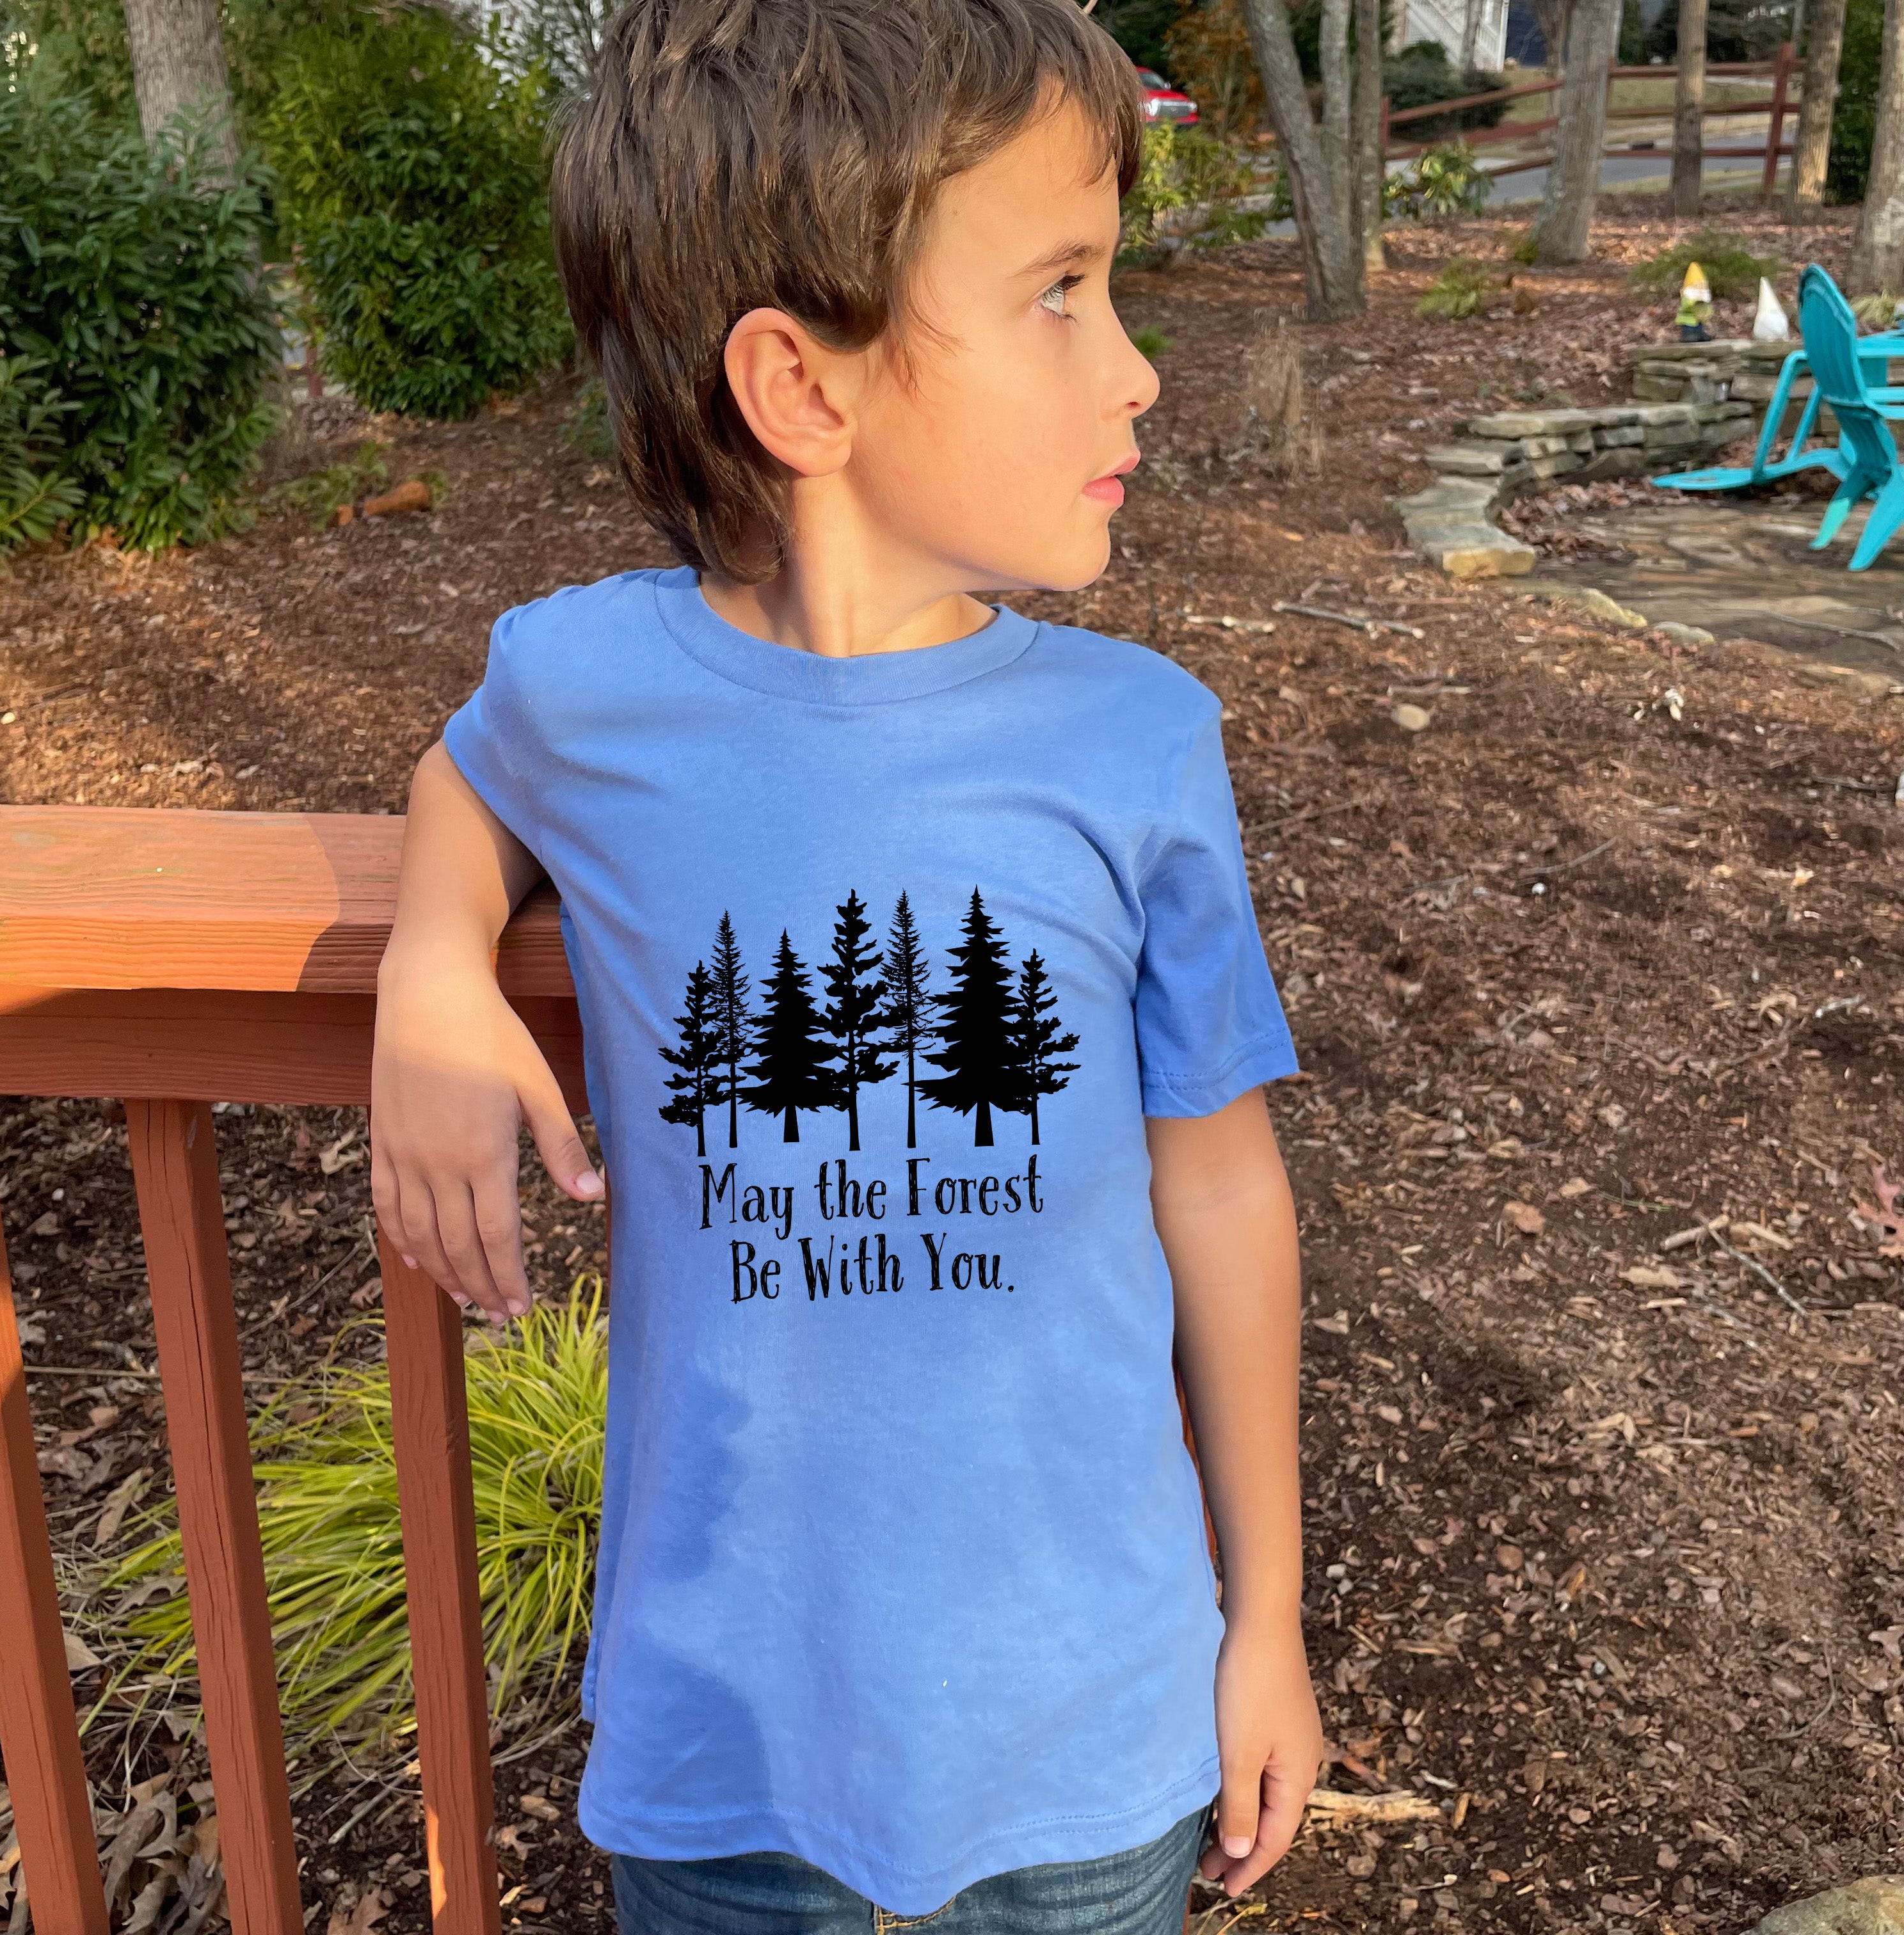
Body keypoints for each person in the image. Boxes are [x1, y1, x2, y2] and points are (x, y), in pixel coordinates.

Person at [369, 2, 1321, 1929]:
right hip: (725, 1740)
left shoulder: (1141, 741)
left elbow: (1221, 1187)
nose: (1138, 369)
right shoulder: (595, 686)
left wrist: (1270, 1621)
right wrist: (433, 974)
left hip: (1088, 1736)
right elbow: (467, 776)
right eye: (1060, 292)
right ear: (802, 387)